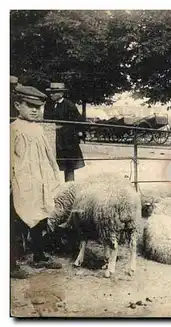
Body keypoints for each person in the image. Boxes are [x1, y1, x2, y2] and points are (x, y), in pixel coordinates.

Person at [10, 85, 63, 279]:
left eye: (37, 106)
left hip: (39, 181)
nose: (34, 110)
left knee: (41, 218)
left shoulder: (39, 129)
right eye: (29, 105)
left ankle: (39, 256)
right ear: (17, 105)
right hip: (20, 183)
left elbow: (48, 156)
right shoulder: (13, 129)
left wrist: (53, 175)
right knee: (17, 222)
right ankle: (11, 264)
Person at [43, 82, 85, 182]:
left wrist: (76, 133)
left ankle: (69, 187)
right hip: (52, 137)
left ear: (61, 93)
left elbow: (78, 122)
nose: (51, 94)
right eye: (51, 92)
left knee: (69, 166)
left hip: (67, 139)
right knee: (51, 163)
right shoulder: (49, 105)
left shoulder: (69, 105)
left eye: (54, 92)